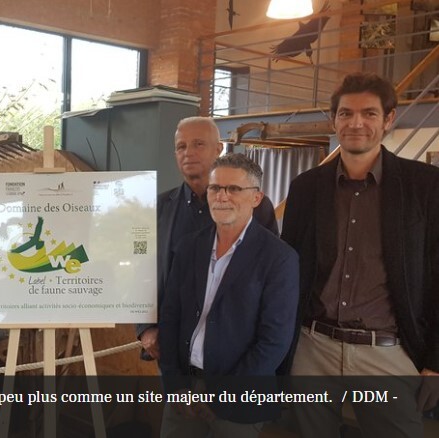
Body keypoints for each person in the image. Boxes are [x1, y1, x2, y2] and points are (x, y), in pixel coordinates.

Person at [281, 72, 439, 437]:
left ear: (388, 119)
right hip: (313, 349)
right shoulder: (305, 188)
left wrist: (435, 360)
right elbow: (289, 272)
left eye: (369, 113)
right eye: (346, 113)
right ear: (333, 120)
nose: (356, 123)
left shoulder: (425, 186)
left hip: (387, 353)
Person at [158, 153, 299, 437]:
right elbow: (170, 317)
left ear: (256, 198)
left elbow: (274, 341)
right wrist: (174, 384)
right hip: (186, 391)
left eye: (233, 188)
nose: (222, 196)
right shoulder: (189, 247)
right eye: (215, 188)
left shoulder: (279, 258)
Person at [137, 116, 278, 360]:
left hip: (235, 346)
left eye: (198, 144)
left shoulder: (254, 207)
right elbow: (141, 269)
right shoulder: (158, 208)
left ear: (219, 148)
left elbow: (269, 274)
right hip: (172, 346)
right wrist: (145, 327)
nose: (188, 153)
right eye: (181, 146)